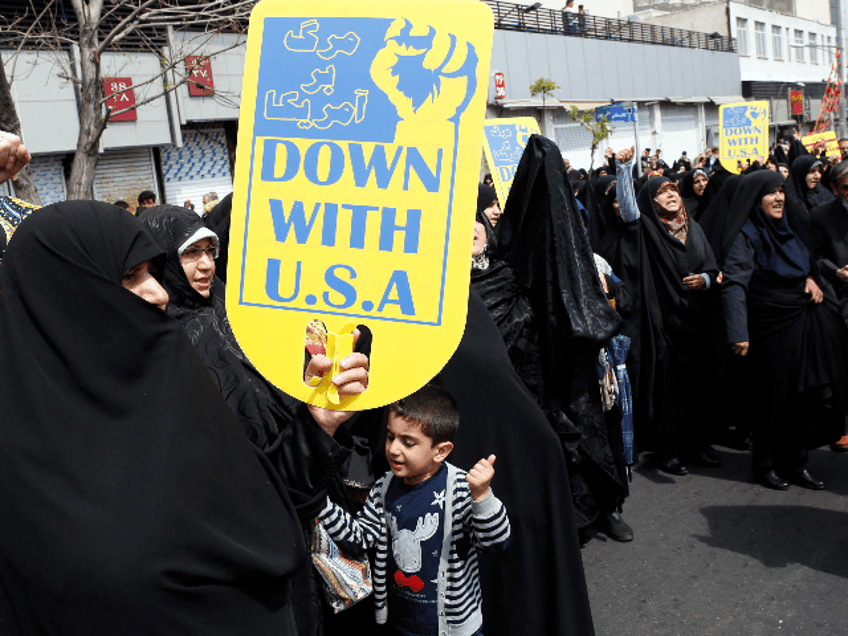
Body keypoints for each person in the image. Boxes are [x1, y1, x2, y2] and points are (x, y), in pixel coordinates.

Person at [0, 200, 313, 634]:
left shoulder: (172, 383)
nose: (159, 292)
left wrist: (319, 425)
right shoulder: (20, 467)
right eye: (130, 277)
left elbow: (256, 511)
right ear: (66, 295)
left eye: (153, 271)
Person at [317, 385, 510, 636]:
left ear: (441, 451)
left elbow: (495, 543)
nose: (394, 449)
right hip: (403, 625)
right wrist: (321, 505)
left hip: (455, 630)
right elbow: (361, 537)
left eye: (408, 443)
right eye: (390, 436)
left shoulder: (461, 489)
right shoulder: (384, 488)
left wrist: (483, 496)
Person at [718, 170, 848, 490]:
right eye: (770, 193)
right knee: (772, 400)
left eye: (781, 191)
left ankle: (796, 462)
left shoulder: (787, 228)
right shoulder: (746, 234)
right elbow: (734, 283)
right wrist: (738, 332)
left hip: (800, 325)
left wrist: (810, 280)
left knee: (799, 398)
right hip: (769, 330)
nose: (779, 198)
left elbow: (802, 264)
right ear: (754, 199)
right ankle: (764, 464)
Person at [810, 160, 848, 452]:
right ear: (835, 189)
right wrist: (836, 271)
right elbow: (816, 257)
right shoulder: (821, 216)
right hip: (840, 297)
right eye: (846, 187)